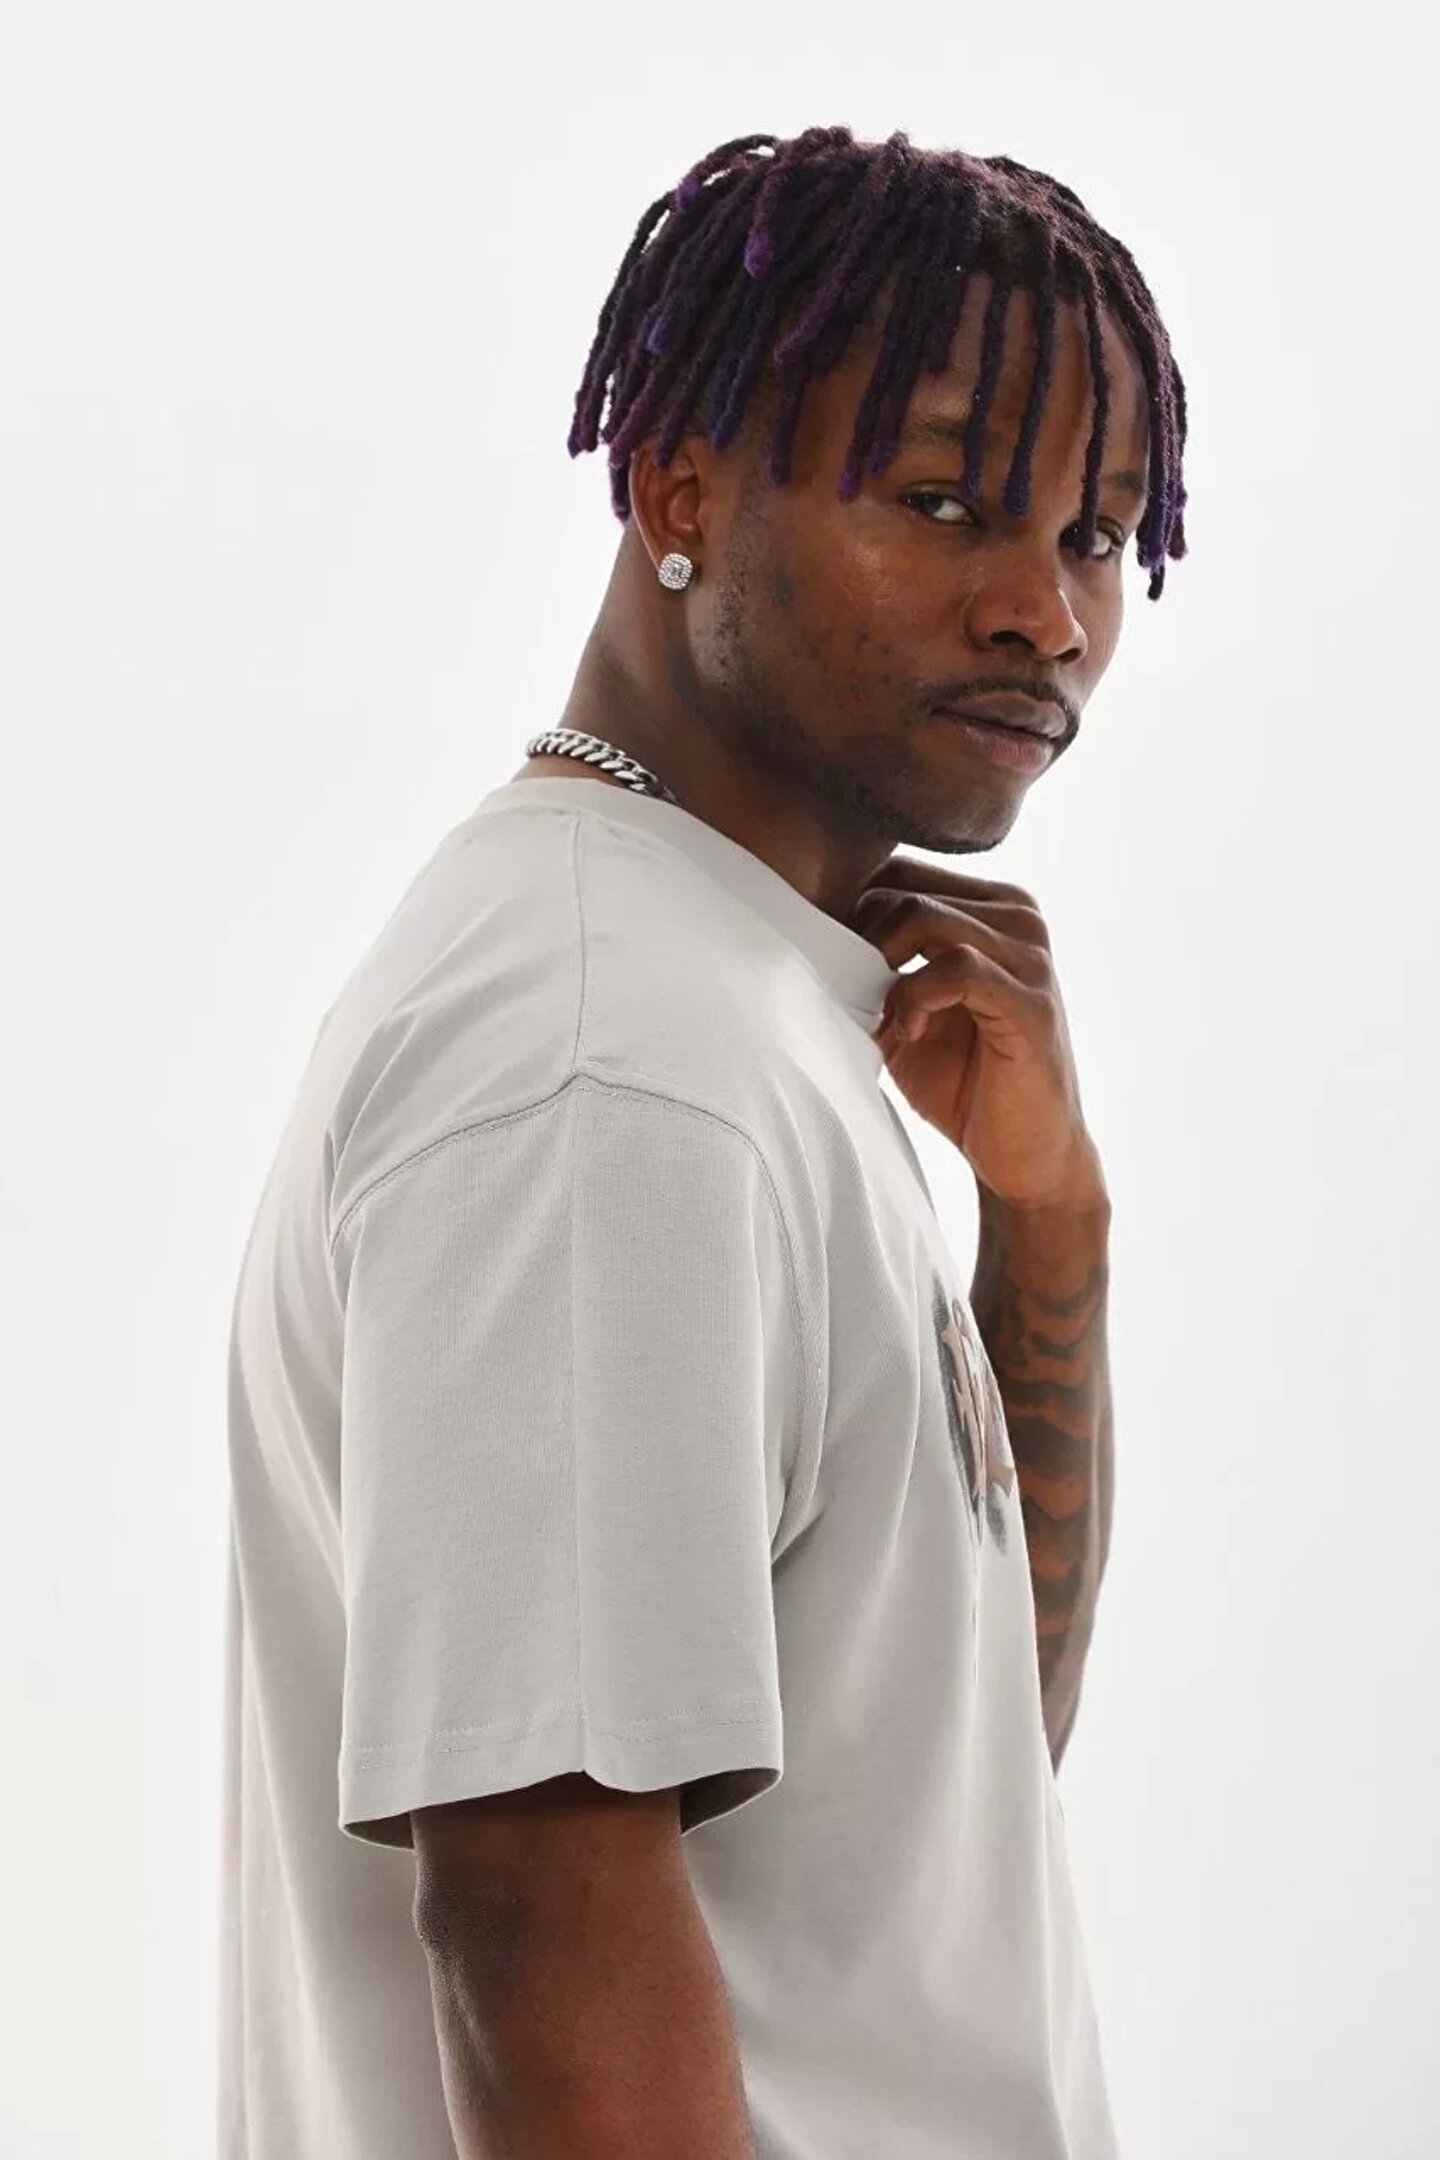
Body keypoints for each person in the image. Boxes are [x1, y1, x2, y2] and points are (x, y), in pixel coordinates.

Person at [218, 124, 1188, 2159]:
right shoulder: (609, 1063)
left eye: (1098, 533)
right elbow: (543, 1941)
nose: (1045, 612)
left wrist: (1049, 1231)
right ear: (677, 490)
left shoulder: (729, 1006)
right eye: (946, 500)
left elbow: (935, 1799)